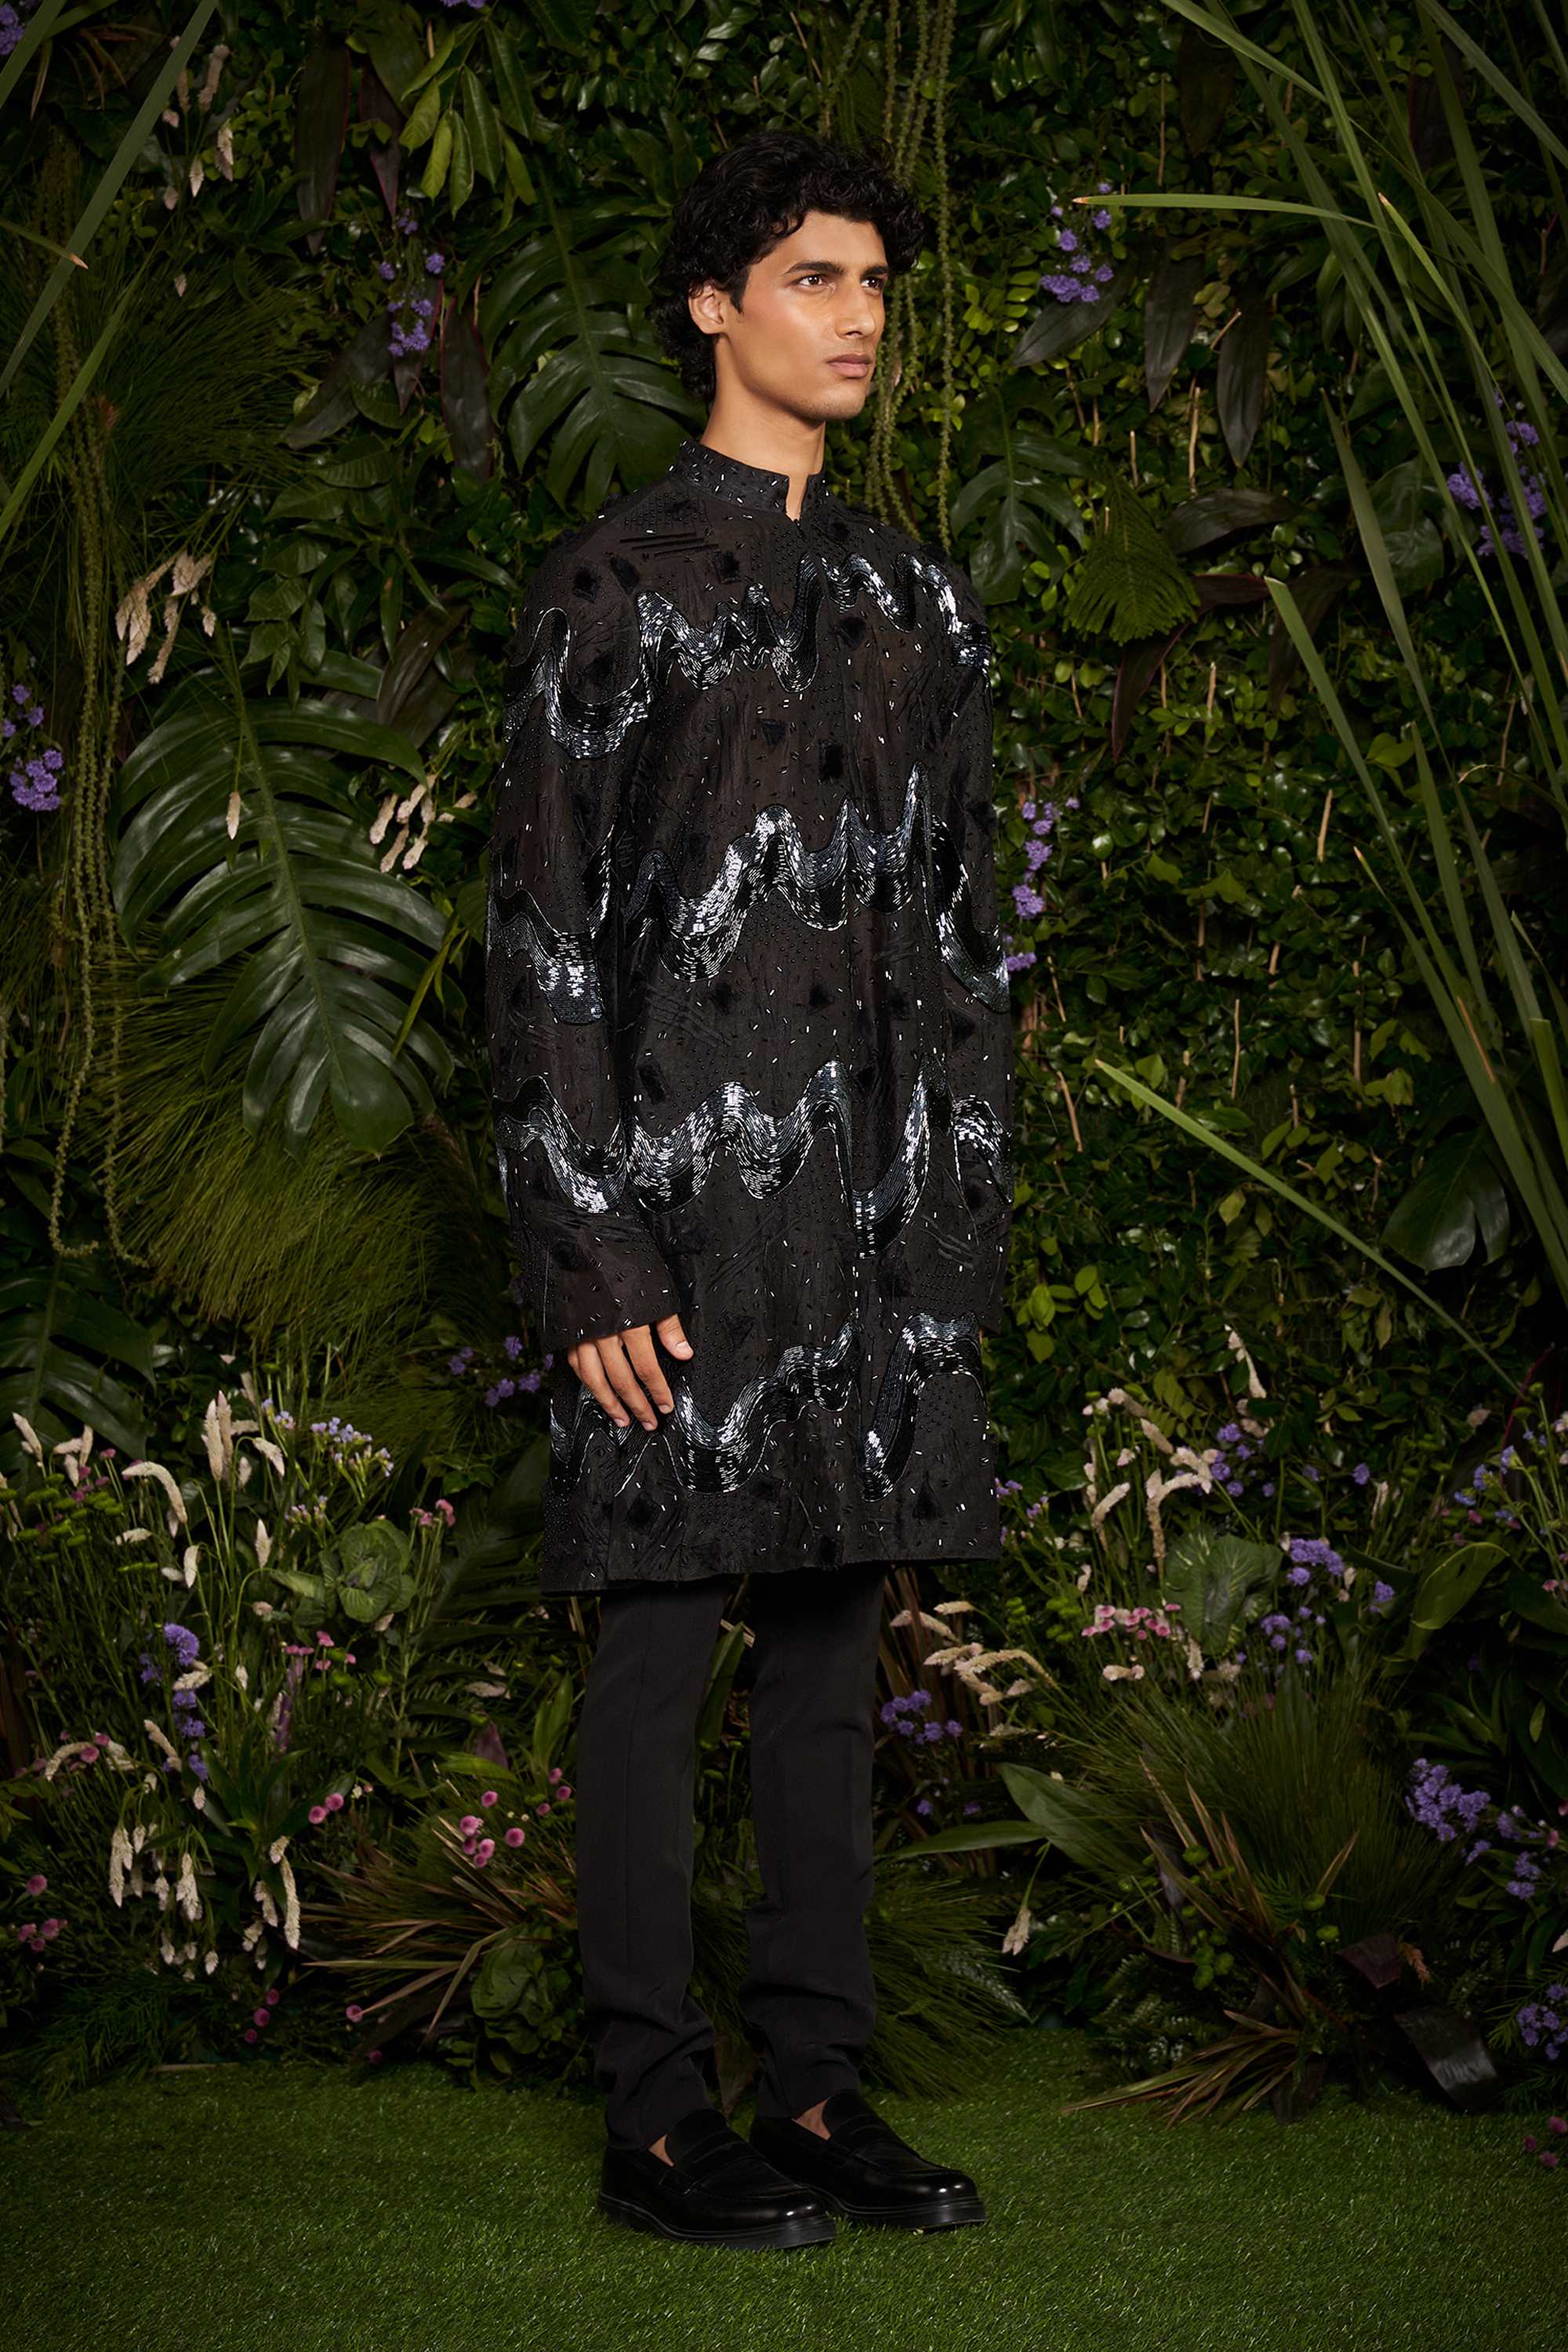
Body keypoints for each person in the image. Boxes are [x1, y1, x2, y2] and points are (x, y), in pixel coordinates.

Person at [485, 125, 1014, 2250]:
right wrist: (589, 1252)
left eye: (876, 281)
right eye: (815, 278)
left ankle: (812, 2089)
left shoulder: (917, 599)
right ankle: (651, 2111)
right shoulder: (606, 590)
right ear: (714, 305)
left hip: (874, 1226)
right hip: (677, 1229)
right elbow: (540, 940)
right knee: (658, 1651)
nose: (859, 316)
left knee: (829, 1646)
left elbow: (961, 937)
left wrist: (950, 1227)